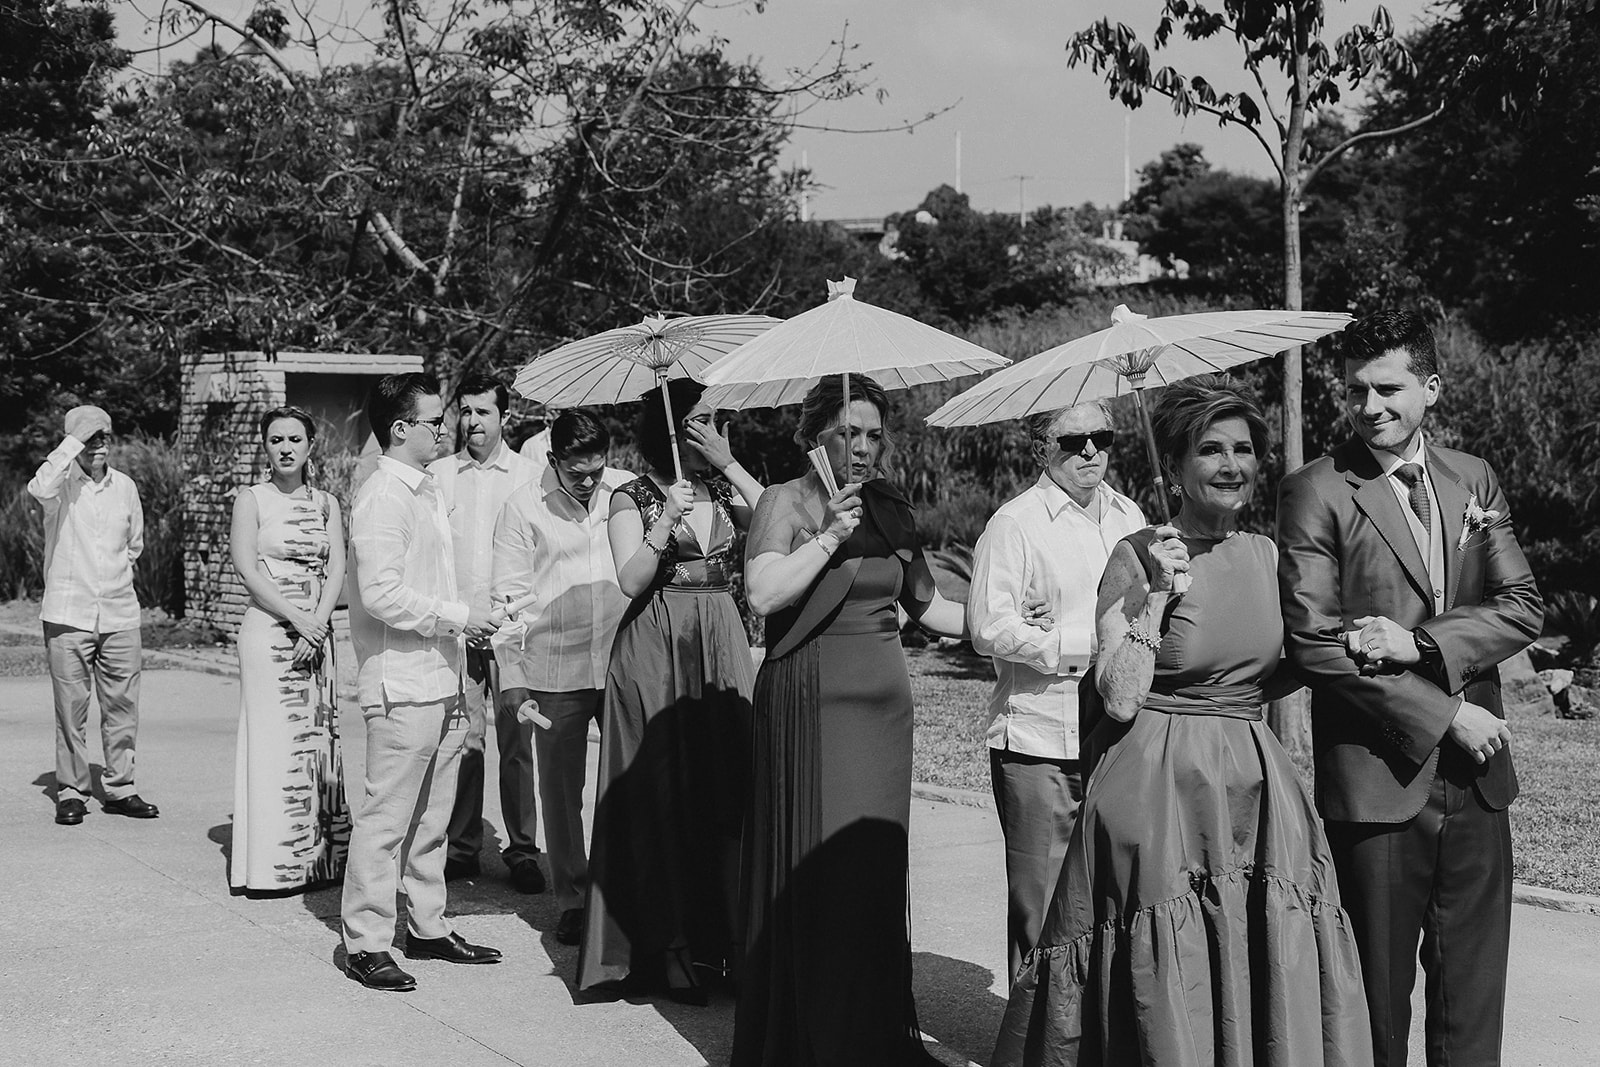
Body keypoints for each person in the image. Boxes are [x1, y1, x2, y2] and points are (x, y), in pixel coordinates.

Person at [993, 375, 1372, 1067]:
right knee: (1167, 960)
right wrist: (1159, 597)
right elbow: (1117, 695)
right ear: (1175, 467)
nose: (1232, 464)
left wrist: (1345, 644)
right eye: (1211, 450)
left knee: (1252, 946)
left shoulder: (1266, 554)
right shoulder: (1137, 553)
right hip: (1155, 783)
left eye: (1245, 449)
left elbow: (1268, 669)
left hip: (1252, 782)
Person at [1277, 311, 1543, 1067]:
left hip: (1479, 781)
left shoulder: (1473, 477)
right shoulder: (1315, 490)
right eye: (1357, 389)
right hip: (1378, 782)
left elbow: (1522, 605)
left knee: (1472, 1002)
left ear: (1431, 387)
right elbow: (1314, 641)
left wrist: (1425, 641)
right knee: (1375, 1011)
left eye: (1388, 388)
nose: (1370, 407)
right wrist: (1447, 712)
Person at [732, 374, 967, 1067]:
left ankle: (873, 1035)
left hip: (884, 714)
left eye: (872, 434)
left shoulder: (892, 504)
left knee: (871, 875)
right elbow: (763, 592)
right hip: (813, 706)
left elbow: (928, 606)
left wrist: (1000, 625)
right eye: (847, 432)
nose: (862, 448)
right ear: (815, 436)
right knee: (822, 878)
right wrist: (831, 535)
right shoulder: (787, 500)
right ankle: (819, 1043)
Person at [577, 379, 765, 1001]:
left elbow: (776, 520)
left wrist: (728, 466)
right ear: (677, 429)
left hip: (720, 640)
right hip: (656, 643)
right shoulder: (631, 495)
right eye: (710, 421)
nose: (722, 429)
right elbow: (631, 580)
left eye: (724, 422)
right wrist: (667, 524)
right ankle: (670, 948)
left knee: (728, 790)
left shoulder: (723, 488)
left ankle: (733, 943)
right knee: (661, 796)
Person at [967, 401, 1145, 979]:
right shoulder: (1014, 524)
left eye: (1102, 436)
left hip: (1117, 732)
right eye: (1073, 441)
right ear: (1042, 447)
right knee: (1040, 907)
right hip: (1041, 737)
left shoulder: (1132, 517)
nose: (1090, 451)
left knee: (1114, 897)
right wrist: (1081, 640)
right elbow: (988, 627)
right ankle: (1032, 1041)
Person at [341, 373, 503, 993]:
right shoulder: (384, 494)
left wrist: (474, 622)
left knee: (431, 820)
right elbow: (380, 594)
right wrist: (459, 616)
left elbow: (432, 583)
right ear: (400, 428)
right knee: (386, 820)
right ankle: (366, 942)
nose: (448, 428)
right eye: (435, 420)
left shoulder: (427, 489)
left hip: (443, 673)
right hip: (402, 681)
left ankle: (428, 927)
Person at [492, 409, 632, 947]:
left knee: (623, 783)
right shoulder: (523, 506)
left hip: (621, 659)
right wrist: (511, 675)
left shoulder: (624, 494)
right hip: (555, 667)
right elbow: (507, 596)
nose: (591, 481)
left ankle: (620, 894)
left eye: (599, 469)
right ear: (553, 461)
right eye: (578, 473)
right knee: (560, 790)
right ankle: (573, 898)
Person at [227, 406, 350, 891]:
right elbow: (247, 569)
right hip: (269, 631)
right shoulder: (251, 499)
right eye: (276, 439)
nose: (285, 448)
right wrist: (296, 618)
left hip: (317, 636)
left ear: (310, 445)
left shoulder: (327, 503)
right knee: (274, 747)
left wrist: (317, 623)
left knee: (319, 745)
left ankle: (321, 862)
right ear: (265, 446)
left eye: (294, 439)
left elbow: (338, 567)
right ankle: (273, 867)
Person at [429, 374, 541, 891]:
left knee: (517, 741)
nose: (473, 422)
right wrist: (459, 616)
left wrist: (514, 617)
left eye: (484, 412)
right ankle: (463, 846)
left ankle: (522, 850)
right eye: (466, 412)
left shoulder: (530, 475)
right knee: (464, 740)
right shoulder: (439, 476)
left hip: (513, 631)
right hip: (459, 628)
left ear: (505, 417)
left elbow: (540, 553)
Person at [28, 404, 158, 825]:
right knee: (71, 709)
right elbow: (37, 486)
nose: (97, 444)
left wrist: (115, 581)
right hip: (69, 613)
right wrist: (74, 439)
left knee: (122, 707)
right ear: (72, 441)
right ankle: (71, 790)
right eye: (88, 436)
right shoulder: (60, 486)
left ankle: (121, 788)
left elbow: (133, 546)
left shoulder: (126, 487)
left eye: (103, 435)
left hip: (120, 614)